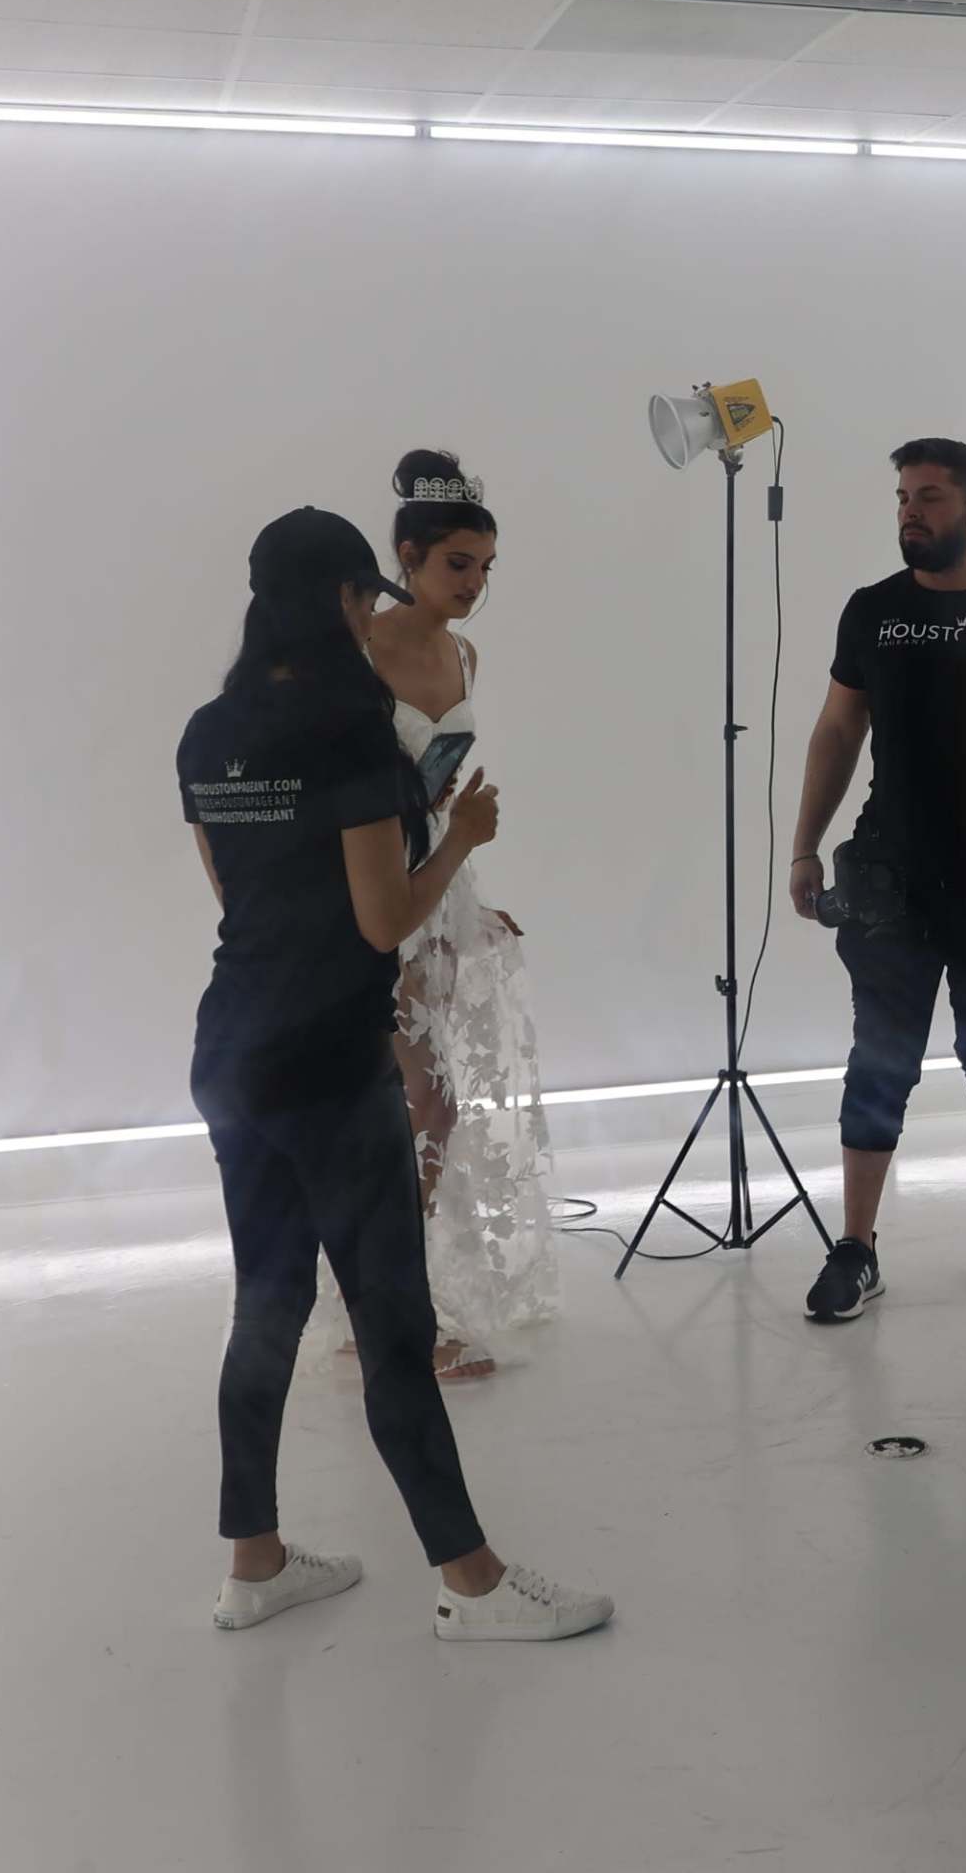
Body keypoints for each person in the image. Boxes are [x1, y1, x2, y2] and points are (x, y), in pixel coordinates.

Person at [175, 506, 605, 1644]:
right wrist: (462, 839)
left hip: (232, 1051)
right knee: (393, 1325)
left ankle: (254, 1564)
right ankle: (473, 1585)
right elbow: (381, 925)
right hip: (326, 1062)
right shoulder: (349, 737)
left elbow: (242, 900)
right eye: (364, 595)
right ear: (341, 599)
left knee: (264, 1305)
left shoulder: (209, 733)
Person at [787, 437, 966, 1321]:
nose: (912, 509)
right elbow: (837, 731)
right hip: (889, 881)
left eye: (932, 496)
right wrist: (803, 844)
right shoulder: (873, 611)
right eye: (904, 495)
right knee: (879, 1060)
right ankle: (858, 1243)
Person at [356, 452, 556, 1377]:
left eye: (485, 567)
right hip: (372, 896)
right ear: (408, 555)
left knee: (433, 1106)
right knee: (412, 1101)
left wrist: (468, 886)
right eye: (457, 565)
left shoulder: (463, 651)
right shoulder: (362, 653)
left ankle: (397, 1302)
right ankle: (393, 1314)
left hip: (439, 885)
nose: (474, 584)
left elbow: (436, 795)